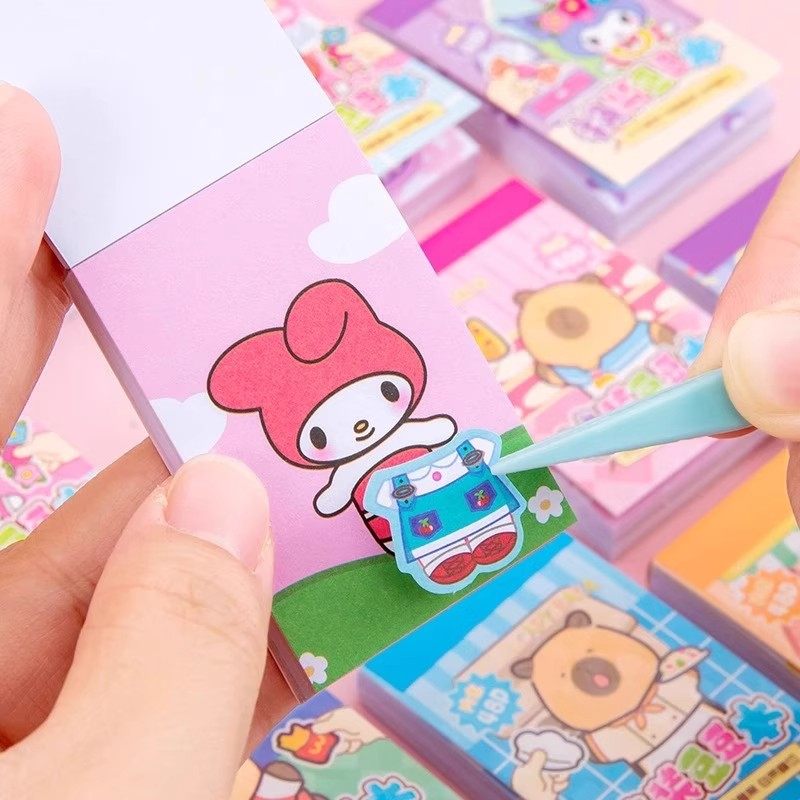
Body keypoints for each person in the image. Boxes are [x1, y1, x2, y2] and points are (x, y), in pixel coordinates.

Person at [0, 82, 796, 798]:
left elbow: (432, 433)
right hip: (391, 516)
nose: (357, 425)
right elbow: (337, 490)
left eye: (380, 395)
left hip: (442, 488)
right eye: (325, 430)